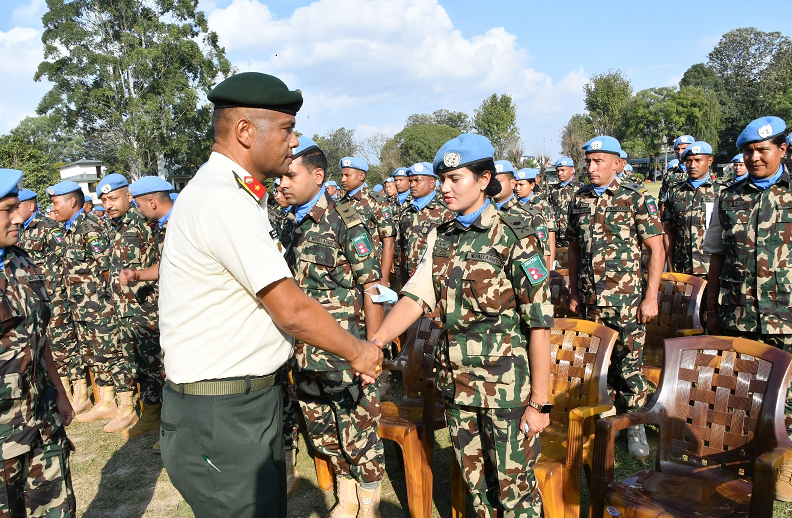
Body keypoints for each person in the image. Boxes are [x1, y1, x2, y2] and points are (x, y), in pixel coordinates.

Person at [157, 72, 382, 518]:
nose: (293, 141)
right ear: (245, 131)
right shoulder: (223, 198)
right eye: (285, 129)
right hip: (223, 412)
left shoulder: (236, 195)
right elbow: (292, 309)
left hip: (240, 403)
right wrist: (359, 352)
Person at [371, 134, 553, 518]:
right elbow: (416, 297)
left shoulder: (514, 236)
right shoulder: (441, 237)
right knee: (479, 492)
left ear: (484, 179)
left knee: (515, 494)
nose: (444, 188)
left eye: (455, 178)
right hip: (458, 388)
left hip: (507, 394)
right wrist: (376, 341)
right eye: (441, 179)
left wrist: (539, 402)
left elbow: (539, 325)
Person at [280, 137, 386, 517]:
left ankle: (369, 497)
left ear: (317, 175)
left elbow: (372, 289)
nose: (283, 184)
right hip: (304, 350)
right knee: (321, 425)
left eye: (290, 175)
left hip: (345, 349)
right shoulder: (288, 223)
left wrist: (373, 348)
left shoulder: (346, 220)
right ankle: (346, 492)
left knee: (357, 425)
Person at [702, 116, 792, 501]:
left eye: (763, 150)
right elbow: (717, 257)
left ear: (782, 150)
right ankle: (741, 462)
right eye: (748, 151)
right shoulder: (728, 196)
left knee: (787, 397)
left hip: (786, 315)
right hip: (737, 313)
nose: (755, 157)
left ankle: (785, 470)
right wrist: (709, 309)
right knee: (742, 391)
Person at [566, 135, 664, 460]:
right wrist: (574, 292)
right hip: (591, 301)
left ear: (617, 164)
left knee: (629, 363)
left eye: (599, 161)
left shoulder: (635, 198)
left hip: (626, 300)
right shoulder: (578, 200)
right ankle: (603, 418)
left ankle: (634, 422)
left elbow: (656, 249)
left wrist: (650, 298)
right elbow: (575, 250)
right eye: (588, 161)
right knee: (596, 364)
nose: (591, 167)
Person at [0, 169, 76, 518]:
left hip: (41, 418)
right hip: (4, 433)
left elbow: (39, 336)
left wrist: (59, 392)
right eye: (8, 210)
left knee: (56, 510)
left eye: (17, 207)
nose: (19, 217)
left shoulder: (20, 261)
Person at [48, 181, 119, 421]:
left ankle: (119, 402)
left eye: (55, 203)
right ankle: (104, 399)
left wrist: (111, 302)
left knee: (108, 351)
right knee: (92, 352)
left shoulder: (88, 227)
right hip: (81, 305)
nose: (53, 208)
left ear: (72, 202)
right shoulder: (70, 228)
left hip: (98, 304)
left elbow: (106, 267)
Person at [95, 173, 158, 434]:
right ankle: (149, 414)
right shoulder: (112, 226)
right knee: (136, 363)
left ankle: (164, 418)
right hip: (122, 309)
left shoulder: (143, 223)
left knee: (157, 365)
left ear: (128, 196)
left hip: (146, 308)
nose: (108, 204)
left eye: (113, 198)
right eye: (104, 200)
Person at [115, 175, 174, 447]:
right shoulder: (162, 226)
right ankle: (159, 419)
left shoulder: (179, 224)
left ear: (152, 202)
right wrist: (138, 274)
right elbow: (165, 266)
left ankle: (176, 427)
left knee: (171, 368)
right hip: (170, 305)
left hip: (183, 309)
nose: (137, 210)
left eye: (138, 204)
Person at [663, 141, 719, 278]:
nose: (692, 165)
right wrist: (670, 264)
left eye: (698, 160)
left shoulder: (722, 191)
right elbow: (668, 230)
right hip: (681, 267)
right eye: (689, 161)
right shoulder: (675, 191)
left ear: (710, 161)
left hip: (712, 267)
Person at [396, 162, 454, 286]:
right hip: (409, 281)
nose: (412, 184)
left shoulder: (447, 211)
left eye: (417, 180)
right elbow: (402, 248)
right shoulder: (407, 211)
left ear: (432, 183)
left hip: (435, 281)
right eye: (411, 181)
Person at [339, 157, 396, 283]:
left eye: (347, 175)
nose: (343, 179)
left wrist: (384, 279)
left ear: (361, 176)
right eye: (342, 175)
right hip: (346, 272)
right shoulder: (340, 204)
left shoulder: (376, 202)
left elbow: (388, 242)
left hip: (371, 272)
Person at [515, 168, 555, 268]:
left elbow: (551, 236)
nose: (517, 188)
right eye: (516, 185)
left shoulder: (542, 205)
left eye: (521, 185)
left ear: (532, 185)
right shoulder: (513, 205)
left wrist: (550, 264)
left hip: (537, 256)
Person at [548, 157, 580, 250]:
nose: (560, 173)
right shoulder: (554, 190)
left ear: (572, 170)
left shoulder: (580, 189)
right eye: (558, 171)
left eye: (563, 170)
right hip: (557, 236)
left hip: (573, 235)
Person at [659, 135, 694, 211]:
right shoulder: (670, 174)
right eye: (677, 149)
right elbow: (662, 202)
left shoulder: (698, 173)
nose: (680, 152)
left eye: (684, 148)